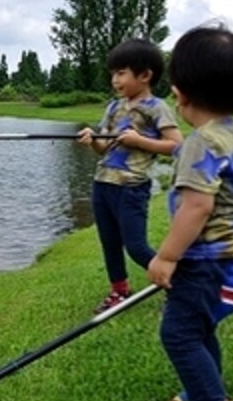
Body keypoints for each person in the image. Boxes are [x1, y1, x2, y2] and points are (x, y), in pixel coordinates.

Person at [146, 25, 233, 401]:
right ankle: (202, 392)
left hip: (211, 265)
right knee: (198, 329)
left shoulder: (201, 143)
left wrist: (166, 257)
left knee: (178, 334)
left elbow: (198, 207)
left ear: (178, 93)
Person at [78, 39, 182, 314]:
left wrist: (140, 141)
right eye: (113, 73)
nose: (115, 80)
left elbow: (176, 146)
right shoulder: (113, 108)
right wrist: (93, 139)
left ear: (145, 75)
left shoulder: (156, 107)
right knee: (109, 243)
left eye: (121, 73)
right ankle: (119, 292)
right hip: (103, 185)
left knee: (135, 246)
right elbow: (104, 149)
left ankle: (178, 284)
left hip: (131, 188)